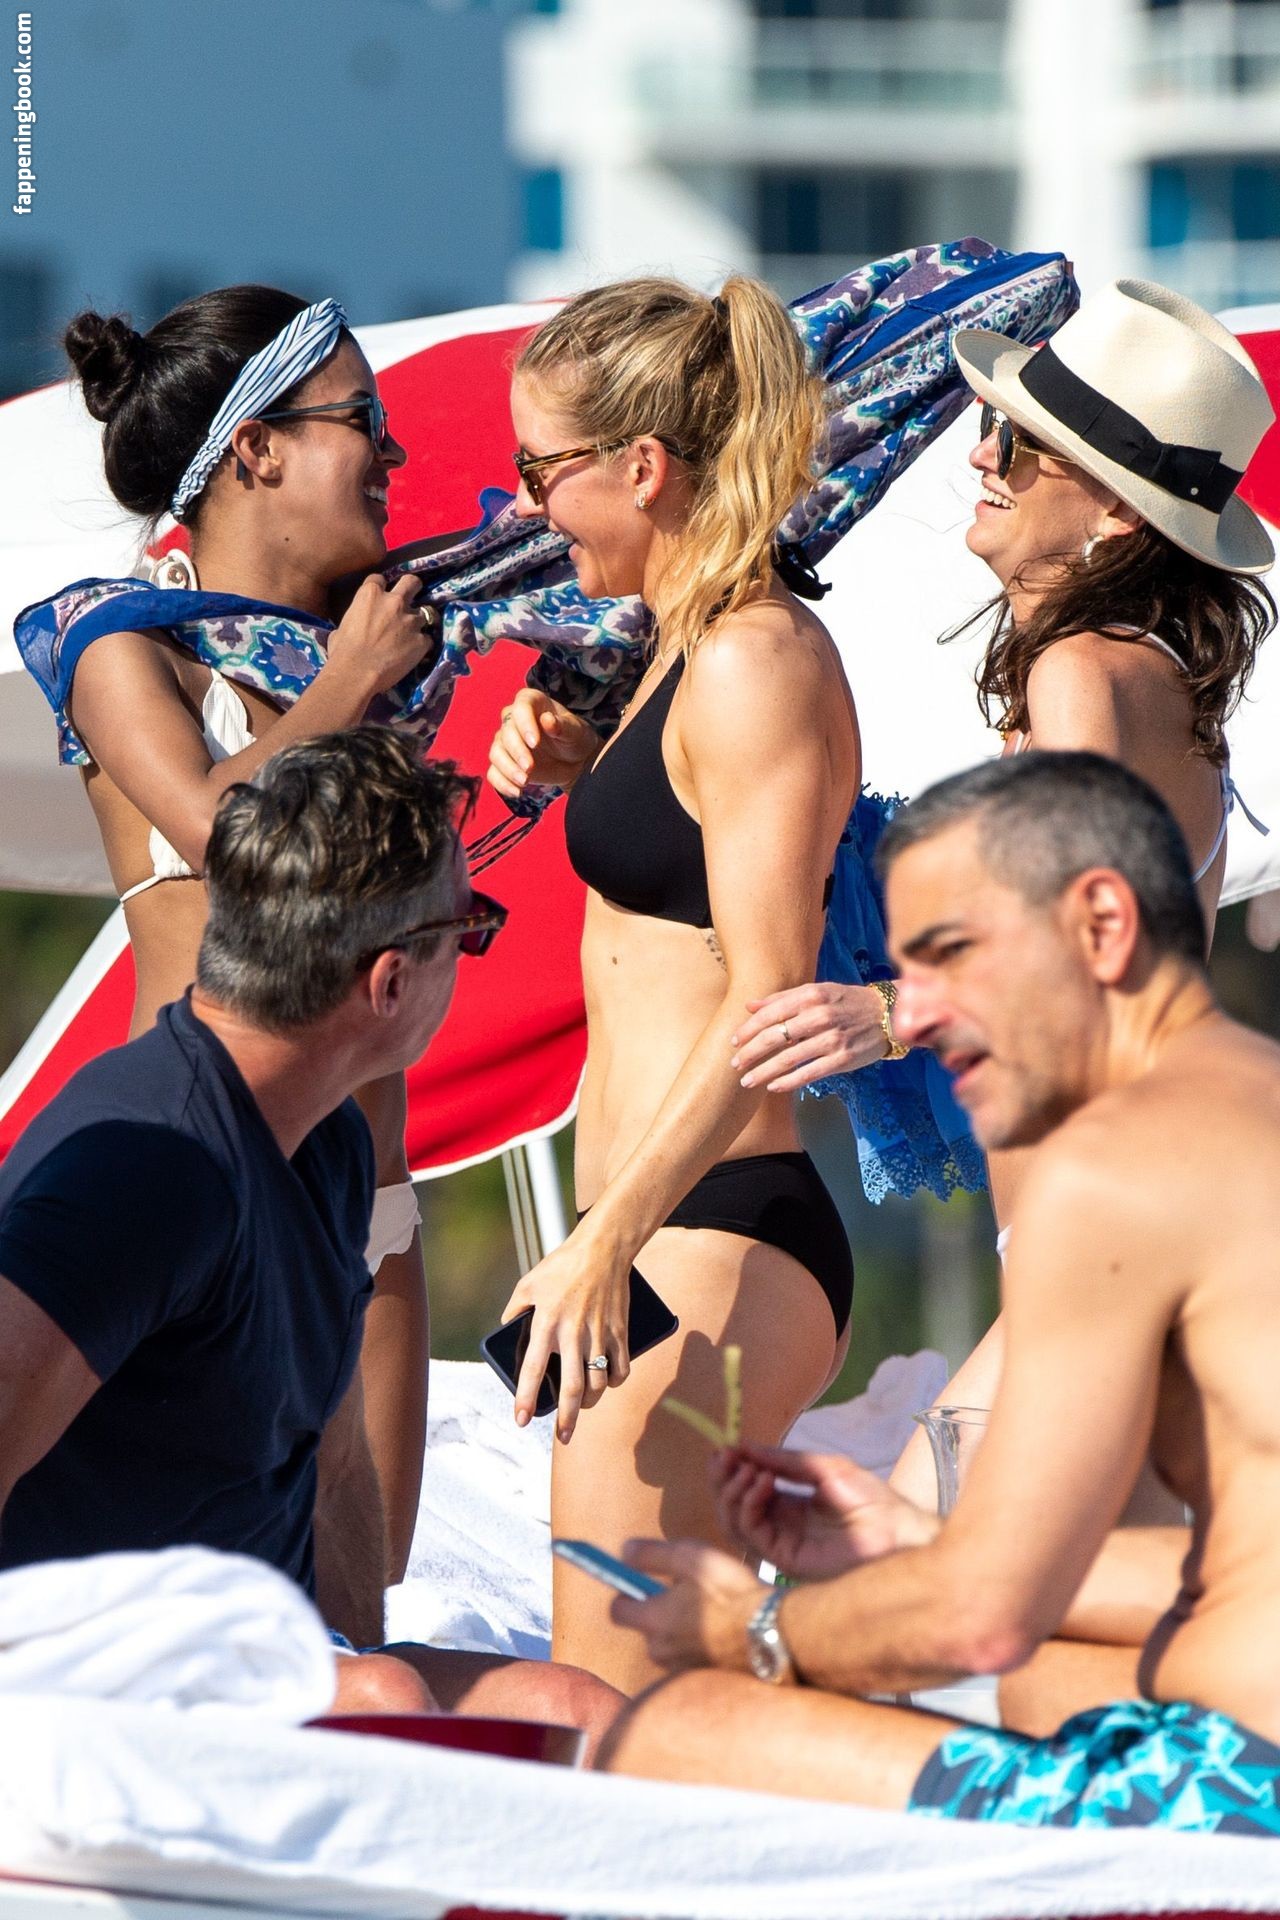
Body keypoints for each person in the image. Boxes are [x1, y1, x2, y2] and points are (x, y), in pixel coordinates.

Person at [595, 751, 1280, 1834]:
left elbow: (978, 1618)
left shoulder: (1114, 1173)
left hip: (1245, 1790)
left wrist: (754, 1632)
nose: (908, 1019)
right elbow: (1245, 1570)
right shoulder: (1240, 1104)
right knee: (1048, 1682)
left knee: (671, 1728)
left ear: (1102, 924)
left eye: (951, 959)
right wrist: (920, 1549)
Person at [731, 278, 1276, 1506]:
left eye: (1019, 446)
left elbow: (1067, 935)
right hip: (1147, 1201)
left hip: (1110, 1220)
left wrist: (884, 1014)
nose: (980, 457)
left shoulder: (1078, 672)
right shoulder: (1146, 678)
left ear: (1115, 518)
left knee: (922, 1567)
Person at [0, 726, 620, 1748]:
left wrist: (354, 1660)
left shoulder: (326, 1144)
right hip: (93, 1691)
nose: (472, 956)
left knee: (589, 1718)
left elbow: (333, 1472)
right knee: (389, 1707)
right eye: (471, 930)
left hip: (262, 1662)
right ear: (390, 984)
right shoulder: (150, 1164)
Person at [19, 288, 439, 1572]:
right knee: (191, 1572)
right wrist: (349, 681)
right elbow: (218, 831)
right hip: (193, 1183)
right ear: (255, 447)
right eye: (360, 419)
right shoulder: (123, 643)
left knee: (363, 1581)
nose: (393, 451)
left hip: (364, 1181)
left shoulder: (389, 642)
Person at [485, 275, 859, 1692]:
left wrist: (606, 1243)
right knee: (646, 1698)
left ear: (642, 467)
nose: (531, 510)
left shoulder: (752, 657)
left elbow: (766, 1004)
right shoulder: (683, 649)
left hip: (709, 1219)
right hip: (666, 1226)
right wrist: (596, 772)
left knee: (620, 1706)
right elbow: (698, 869)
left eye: (541, 472)